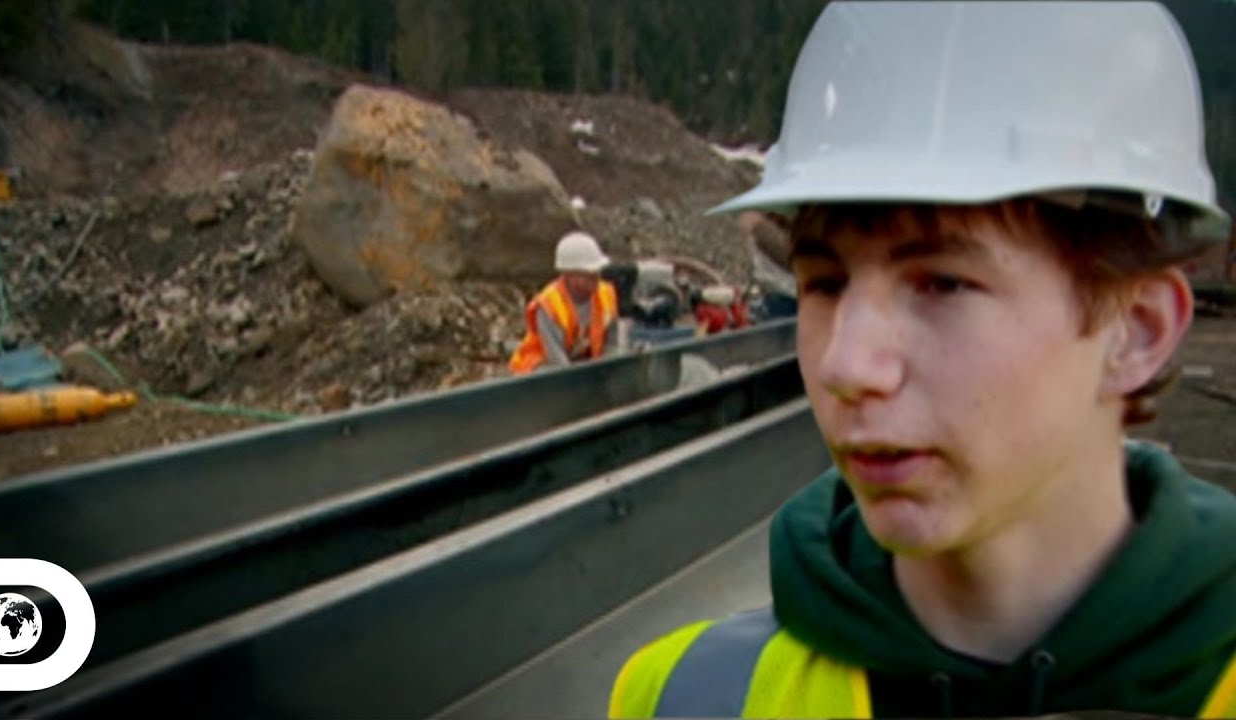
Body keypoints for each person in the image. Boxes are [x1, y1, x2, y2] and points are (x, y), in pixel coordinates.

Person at [608, 2, 1236, 717]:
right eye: (825, 282)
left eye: (942, 284)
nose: (847, 364)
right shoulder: (685, 698)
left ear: (1138, 330)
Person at [509, 231, 620, 374]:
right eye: (588, 273)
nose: (595, 277)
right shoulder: (549, 305)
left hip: (578, 363)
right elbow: (558, 363)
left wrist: (605, 373)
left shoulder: (606, 294)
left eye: (597, 271)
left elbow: (611, 345)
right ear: (568, 275)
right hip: (537, 370)